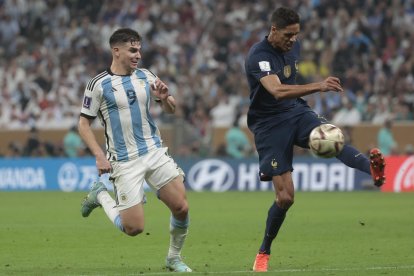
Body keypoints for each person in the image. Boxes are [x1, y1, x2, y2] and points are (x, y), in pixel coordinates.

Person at [244, 7, 386, 272]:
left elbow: (290, 87)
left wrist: (306, 98)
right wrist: (318, 86)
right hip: (269, 126)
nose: (293, 40)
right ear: (273, 30)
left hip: (296, 112)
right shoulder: (259, 56)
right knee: (286, 198)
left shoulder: (292, 47)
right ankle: (264, 251)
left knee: (332, 137)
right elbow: (275, 90)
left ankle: (373, 171)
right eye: (288, 35)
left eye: (296, 35)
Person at [78, 28, 192, 272]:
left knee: (181, 207)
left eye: (139, 49)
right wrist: (99, 155)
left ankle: (173, 258)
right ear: (116, 51)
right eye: (132, 50)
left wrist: (164, 99)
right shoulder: (98, 84)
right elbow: (83, 124)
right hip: (124, 161)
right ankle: (99, 194)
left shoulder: (145, 75)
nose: (137, 54)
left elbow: (171, 109)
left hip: (153, 150)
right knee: (134, 228)